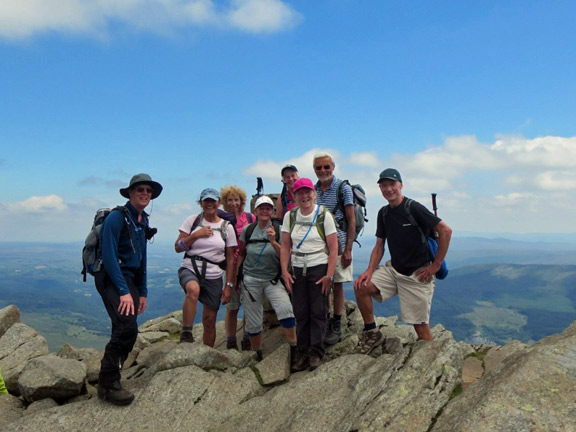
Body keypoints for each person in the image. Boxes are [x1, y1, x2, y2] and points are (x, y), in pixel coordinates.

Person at [353, 168, 452, 354]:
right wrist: (369, 270)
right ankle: (372, 333)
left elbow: (445, 230)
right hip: (395, 269)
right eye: (384, 185)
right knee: (361, 287)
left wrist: (436, 265)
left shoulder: (413, 208)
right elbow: (379, 246)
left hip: (418, 274)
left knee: (420, 327)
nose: (388, 189)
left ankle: (431, 362)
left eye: (392, 184)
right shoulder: (383, 213)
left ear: (401, 185)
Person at [96, 173, 162, 406]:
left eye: (148, 190)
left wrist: (142, 292)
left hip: (130, 279)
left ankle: (108, 376)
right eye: (140, 189)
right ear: (131, 193)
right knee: (126, 325)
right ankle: (108, 383)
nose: (145, 193)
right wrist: (123, 290)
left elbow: (142, 259)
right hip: (111, 277)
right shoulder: (117, 218)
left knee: (126, 328)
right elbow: (109, 256)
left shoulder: (141, 220)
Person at [281, 178, 339, 372]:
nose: (304, 196)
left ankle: (316, 351)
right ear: (294, 196)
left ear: (314, 193)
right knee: (300, 311)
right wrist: (285, 271)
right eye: (299, 193)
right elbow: (285, 247)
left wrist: (329, 275)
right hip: (297, 268)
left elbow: (333, 248)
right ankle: (302, 350)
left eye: (307, 192)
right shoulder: (290, 216)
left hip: (319, 267)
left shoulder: (324, 215)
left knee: (318, 311)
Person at [236, 195, 297, 361]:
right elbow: (241, 253)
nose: (264, 211)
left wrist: (273, 241)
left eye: (268, 208)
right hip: (250, 279)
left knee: (285, 310)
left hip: (273, 279)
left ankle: (293, 347)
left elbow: (285, 255)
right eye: (261, 208)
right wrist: (236, 278)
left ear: (273, 211)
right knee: (254, 320)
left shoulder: (279, 229)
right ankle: (257, 352)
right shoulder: (249, 230)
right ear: (255, 211)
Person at [175, 188, 237, 347]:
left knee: (210, 320)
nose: (210, 204)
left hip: (214, 275)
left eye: (213, 201)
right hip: (190, 267)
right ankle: (187, 333)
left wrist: (228, 285)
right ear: (201, 203)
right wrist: (196, 235)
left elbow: (230, 259)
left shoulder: (226, 227)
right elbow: (178, 247)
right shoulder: (193, 221)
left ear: (219, 203)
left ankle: (207, 352)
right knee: (193, 290)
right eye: (206, 201)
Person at [313, 152, 355, 345]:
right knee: (322, 283)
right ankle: (326, 320)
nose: (323, 171)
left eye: (326, 167)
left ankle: (336, 323)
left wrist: (348, 249)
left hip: (339, 243)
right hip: (318, 245)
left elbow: (351, 219)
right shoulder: (314, 190)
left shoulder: (343, 188)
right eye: (319, 167)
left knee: (336, 284)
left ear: (333, 167)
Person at [220, 185, 254, 351]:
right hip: (230, 267)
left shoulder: (249, 217)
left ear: (242, 201)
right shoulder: (221, 220)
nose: (233, 203)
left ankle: (247, 337)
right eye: (229, 200)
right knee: (232, 305)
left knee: (248, 304)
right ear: (224, 202)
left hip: (248, 266)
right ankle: (231, 340)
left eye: (236, 199)